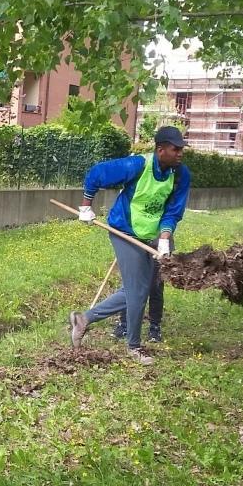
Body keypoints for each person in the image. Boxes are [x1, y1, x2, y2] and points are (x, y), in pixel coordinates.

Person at [68, 126, 191, 364]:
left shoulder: (180, 174)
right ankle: (133, 346)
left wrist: (164, 238)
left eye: (181, 149)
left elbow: (173, 211)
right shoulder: (137, 165)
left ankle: (83, 319)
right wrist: (86, 205)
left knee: (147, 286)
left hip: (154, 234)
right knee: (137, 290)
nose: (180, 153)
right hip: (124, 231)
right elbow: (97, 173)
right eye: (175, 149)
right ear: (160, 150)